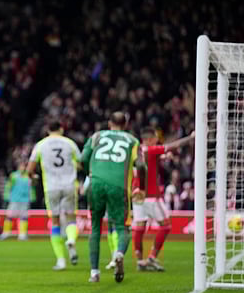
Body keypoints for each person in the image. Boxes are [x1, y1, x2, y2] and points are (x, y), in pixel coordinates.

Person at [82, 111, 141, 283]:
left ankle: (94, 272)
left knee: (95, 227)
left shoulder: (97, 136)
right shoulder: (132, 140)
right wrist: (142, 187)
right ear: (126, 124)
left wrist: (90, 173)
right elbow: (141, 166)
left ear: (109, 123)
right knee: (122, 228)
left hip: (96, 183)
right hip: (119, 185)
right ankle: (119, 253)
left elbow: (83, 158)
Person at [132, 127, 195, 271]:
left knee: (140, 228)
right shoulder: (152, 149)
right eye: (155, 138)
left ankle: (140, 261)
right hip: (151, 196)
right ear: (148, 140)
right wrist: (191, 138)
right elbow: (173, 146)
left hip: (137, 194)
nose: (157, 141)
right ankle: (152, 257)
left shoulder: (137, 151)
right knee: (166, 226)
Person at [27, 121, 81, 271]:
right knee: (71, 218)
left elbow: (29, 169)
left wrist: (34, 177)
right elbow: (82, 162)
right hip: (69, 185)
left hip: (51, 187)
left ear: (47, 130)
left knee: (55, 222)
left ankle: (61, 261)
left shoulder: (40, 145)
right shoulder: (69, 143)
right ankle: (70, 240)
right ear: (61, 129)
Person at [0, 162, 36, 241]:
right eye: (21, 166)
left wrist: (32, 196)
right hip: (14, 199)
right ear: (18, 167)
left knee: (24, 217)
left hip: (25, 200)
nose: (23, 168)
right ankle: (6, 233)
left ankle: (22, 234)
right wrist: (7, 196)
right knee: (9, 216)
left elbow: (32, 187)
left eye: (24, 166)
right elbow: (8, 186)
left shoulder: (29, 176)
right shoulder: (14, 175)